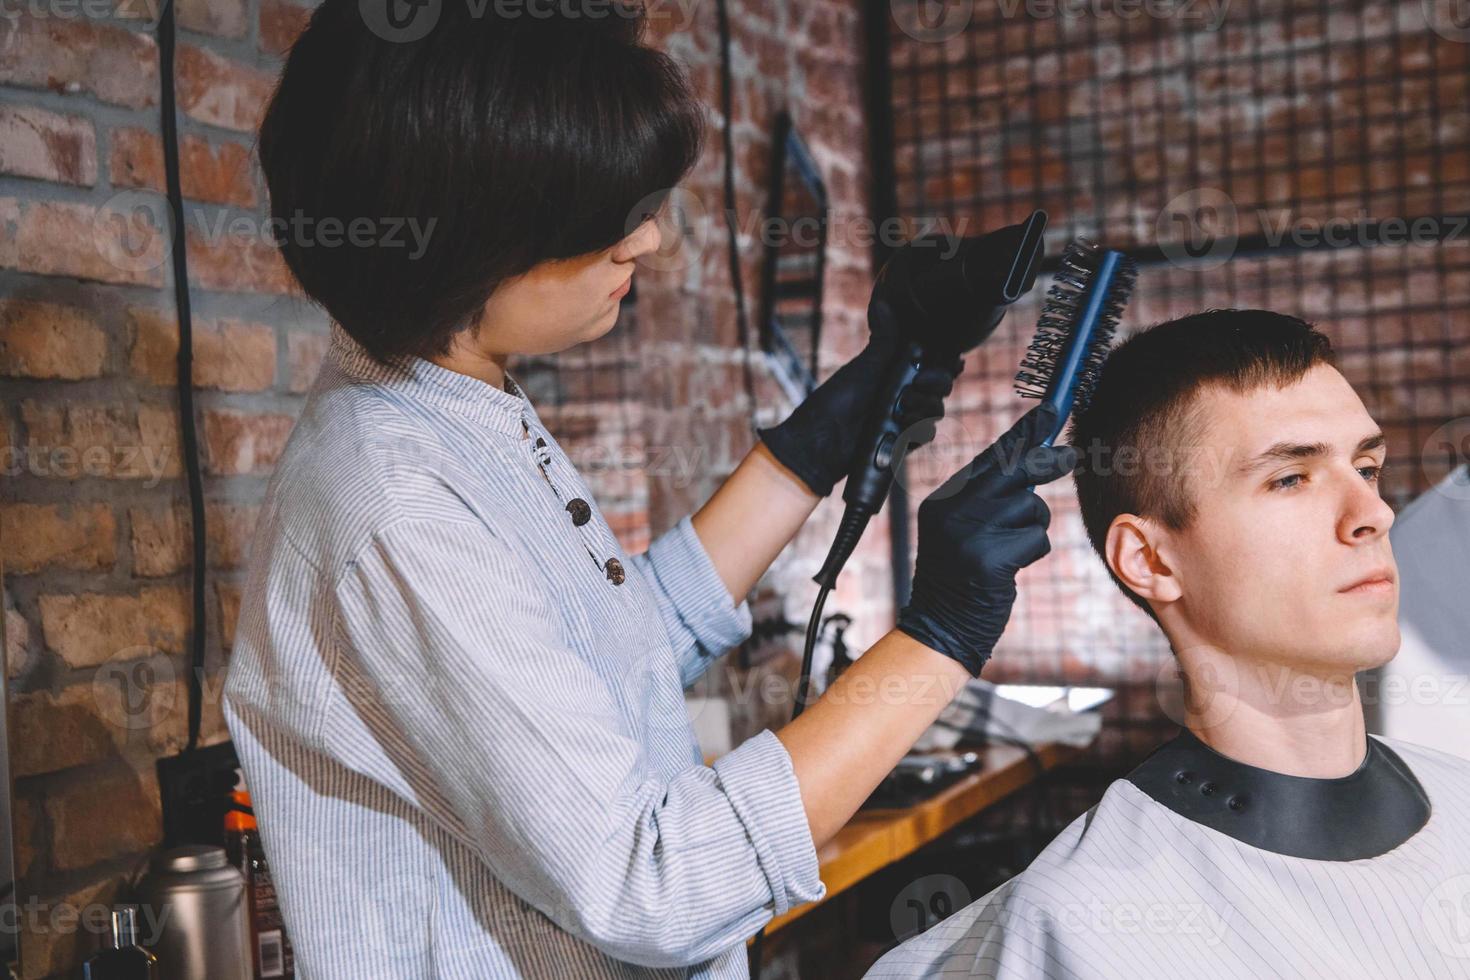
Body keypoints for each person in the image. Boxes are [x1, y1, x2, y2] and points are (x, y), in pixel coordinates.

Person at [219, 1, 1076, 976]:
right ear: (470, 234)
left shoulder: (459, 410)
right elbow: (655, 881)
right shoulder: (398, 502)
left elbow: (623, 643)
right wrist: (940, 633)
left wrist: (839, 415)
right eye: (606, 217)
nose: (650, 242)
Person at [866, 309, 1470, 979]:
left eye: (1366, 467)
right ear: (1151, 561)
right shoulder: (1088, 926)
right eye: (1290, 479)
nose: (1374, 514)